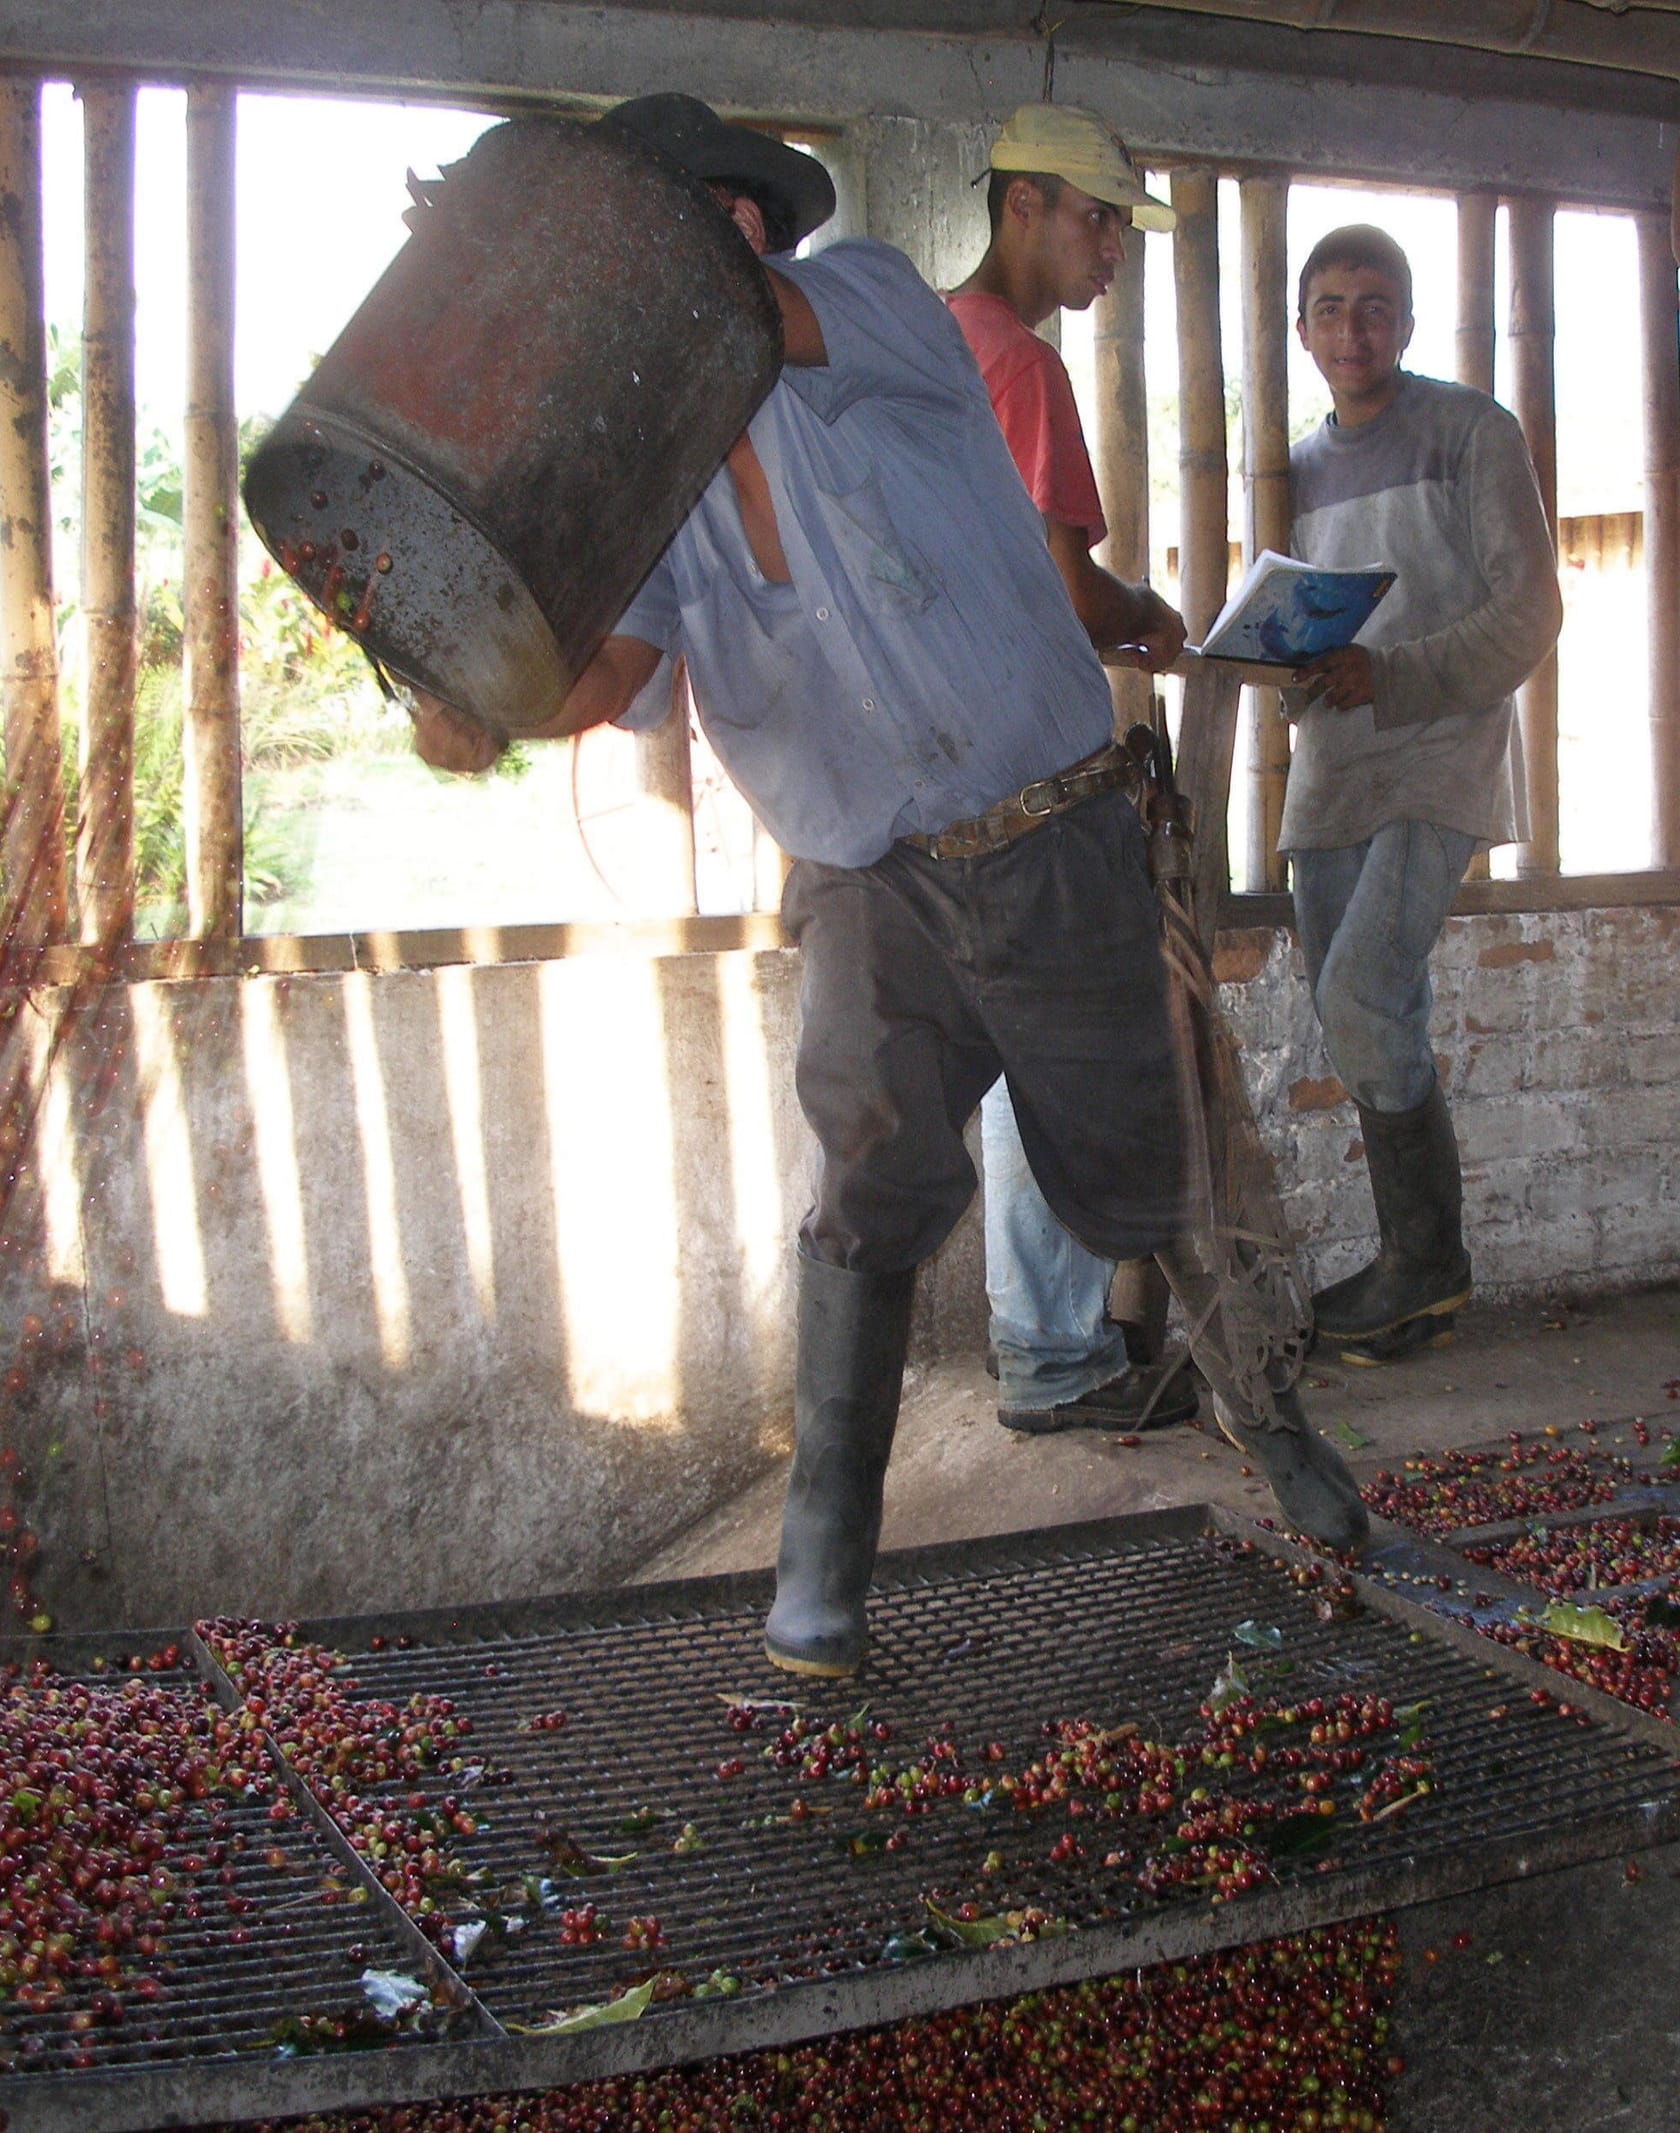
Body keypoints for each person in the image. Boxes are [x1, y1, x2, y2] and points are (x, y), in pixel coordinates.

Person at [412, 93, 1367, 1677]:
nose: (683, 262)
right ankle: (822, 1572)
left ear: (746, 233)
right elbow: (603, 673)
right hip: (871, 884)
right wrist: (478, 701)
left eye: (705, 228)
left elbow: (753, 319)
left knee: (1145, 1167)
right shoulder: (638, 480)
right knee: (864, 1189)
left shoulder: (865, 307)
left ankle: (1271, 1425)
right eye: (638, 242)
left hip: (1051, 833)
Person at [944, 102, 1195, 1437]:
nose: (1114, 251)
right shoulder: (1021, 369)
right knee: (1064, 1058)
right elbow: (1056, 586)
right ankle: (1057, 1358)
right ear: (1023, 203)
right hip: (1026, 775)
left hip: (923, 780)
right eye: (1101, 220)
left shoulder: (916, 340)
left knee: (986, 1063)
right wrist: (1141, 612)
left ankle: (1035, 1339)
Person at [1284, 226, 1560, 1364]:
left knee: (1360, 990)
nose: (1353, 328)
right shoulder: (1283, 466)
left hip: (1438, 750)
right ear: (1299, 328)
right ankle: (1418, 1278)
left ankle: (1423, 1259)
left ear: (1406, 319)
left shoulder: (1469, 432)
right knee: (1356, 1009)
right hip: (1330, 769)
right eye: (1330, 307)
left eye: (1376, 305)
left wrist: (1385, 675)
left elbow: (1528, 614)